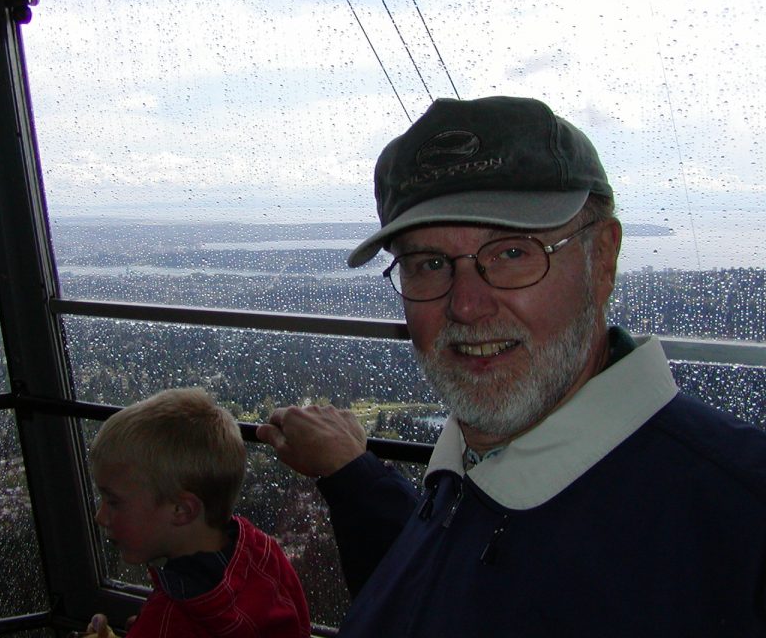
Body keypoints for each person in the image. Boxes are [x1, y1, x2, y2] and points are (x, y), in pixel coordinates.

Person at [257, 96, 766, 637]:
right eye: (429, 264)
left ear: (603, 260)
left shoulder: (742, 530)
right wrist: (354, 480)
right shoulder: (464, 483)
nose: (466, 304)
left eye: (513, 253)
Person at [86, 387, 310, 638]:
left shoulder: (167, 620)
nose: (100, 516)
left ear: (181, 510)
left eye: (113, 501)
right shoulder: (263, 552)